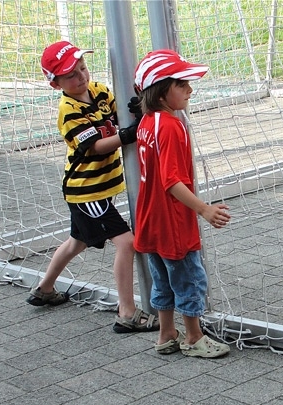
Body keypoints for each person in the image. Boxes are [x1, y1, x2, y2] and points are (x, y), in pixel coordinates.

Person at [29, 40, 159, 334]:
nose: (81, 77)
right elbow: (97, 146)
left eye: (82, 68)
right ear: (56, 84)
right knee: (126, 242)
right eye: (71, 75)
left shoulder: (99, 91)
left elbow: (119, 116)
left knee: (77, 241)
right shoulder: (69, 110)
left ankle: (45, 289)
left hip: (98, 189)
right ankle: (127, 313)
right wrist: (129, 133)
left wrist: (138, 110)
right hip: (86, 191)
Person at [132, 49, 231, 358]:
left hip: (150, 219)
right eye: (182, 84)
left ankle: (166, 334)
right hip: (173, 222)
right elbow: (172, 182)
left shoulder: (147, 122)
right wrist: (204, 209)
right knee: (189, 278)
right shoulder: (171, 127)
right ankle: (193, 337)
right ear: (161, 91)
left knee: (162, 279)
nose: (190, 90)